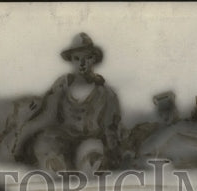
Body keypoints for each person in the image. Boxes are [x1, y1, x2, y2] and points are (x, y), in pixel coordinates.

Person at [13, 33, 123, 173]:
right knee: (48, 145)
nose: (82, 64)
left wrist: (114, 155)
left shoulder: (106, 94)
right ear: (71, 61)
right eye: (77, 59)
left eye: (87, 58)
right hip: (62, 141)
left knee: (92, 153)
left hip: (90, 142)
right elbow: (46, 116)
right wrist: (22, 141)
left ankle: (88, 166)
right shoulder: (61, 87)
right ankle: (57, 166)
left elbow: (111, 129)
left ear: (94, 59)